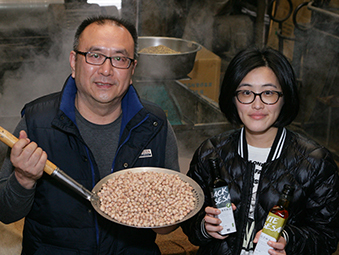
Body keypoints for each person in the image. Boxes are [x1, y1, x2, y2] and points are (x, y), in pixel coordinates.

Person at [0, 16, 180, 254]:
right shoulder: (36, 123)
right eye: (95, 56)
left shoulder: (154, 125)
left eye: (119, 58)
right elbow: (6, 212)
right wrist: (23, 179)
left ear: (132, 68)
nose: (106, 70)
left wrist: (158, 210)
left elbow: (169, 226)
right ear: (74, 62)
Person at [181, 47, 339, 255]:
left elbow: (327, 238)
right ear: (233, 97)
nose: (257, 104)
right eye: (246, 92)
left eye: (268, 93)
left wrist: (289, 241)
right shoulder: (210, 153)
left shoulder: (316, 163)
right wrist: (204, 227)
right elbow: (189, 217)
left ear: (284, 97)